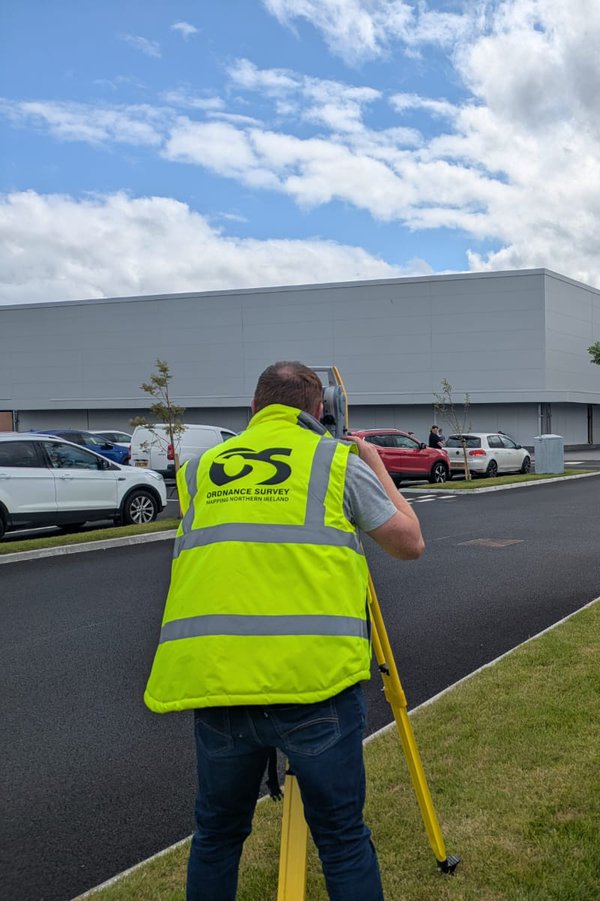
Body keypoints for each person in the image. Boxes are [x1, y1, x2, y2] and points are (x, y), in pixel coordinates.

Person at [144, 361, 424, 901]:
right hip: (315, 684)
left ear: (254, 408)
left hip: (220, 682)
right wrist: (373, 463)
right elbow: (409, 542)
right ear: (320, 412)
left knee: (217, 836)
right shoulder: (335, 461)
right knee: (342, 839)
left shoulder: (199, 470)